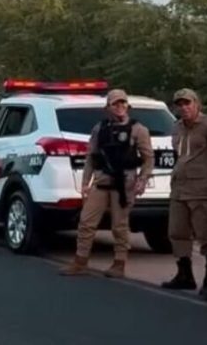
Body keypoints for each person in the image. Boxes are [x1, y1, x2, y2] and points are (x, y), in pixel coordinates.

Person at [60, 89, 153, 278]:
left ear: (128, 105)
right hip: (101, 181)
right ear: (108, 107)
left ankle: (119, 263)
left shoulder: (138, 129)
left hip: (124, 183)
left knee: (119, 226)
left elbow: (148, 158)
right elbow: (91, 157)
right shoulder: (100, 128)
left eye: (122, 103)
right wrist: (85, 183)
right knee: (86, 222)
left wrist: (142, 179)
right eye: (115, 104)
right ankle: (80, 261)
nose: (119, 107)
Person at [161, 88, 207, 301]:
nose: (184, 108)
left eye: (187, 103)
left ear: (197, 104)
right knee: (177, 232)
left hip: (203, 190)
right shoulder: (177, 127)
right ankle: (184, 274)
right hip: (180, 189)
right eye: (180, 105)